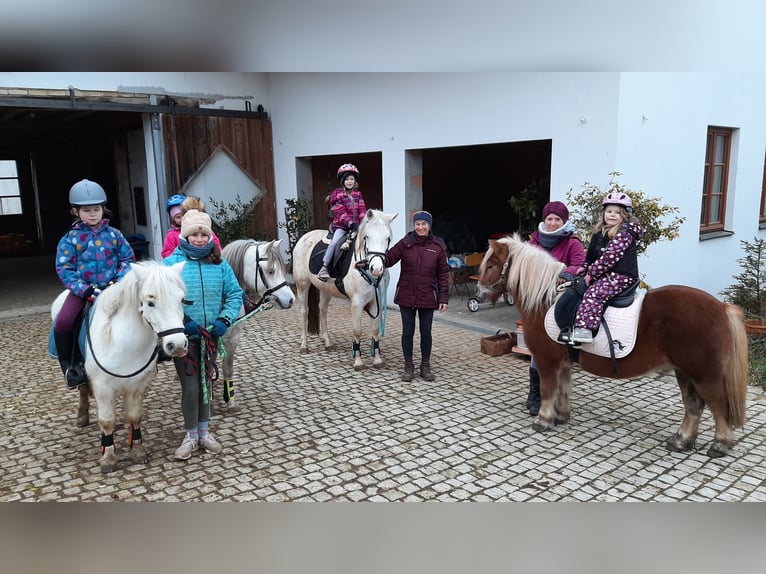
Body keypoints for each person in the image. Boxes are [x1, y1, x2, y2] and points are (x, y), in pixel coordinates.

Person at [163, 209, 243, 460]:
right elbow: (164, 300)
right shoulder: (171, 265)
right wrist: (183, 321)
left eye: (203, 234)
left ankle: (204, 432)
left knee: (206, 384)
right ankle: (190, 436)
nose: (199, 239)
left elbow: (234, 293)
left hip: (211, 335)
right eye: (193, 234)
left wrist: (225, 318)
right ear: (184, 235)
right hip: (184, 337)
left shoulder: (220, 264)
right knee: (190, 387)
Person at [53, 179, 135, 389]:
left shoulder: (115, 235)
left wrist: (118, 281)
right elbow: (65, 269)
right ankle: (72, 367)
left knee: (144, 307)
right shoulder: (70, 239)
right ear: (75, 211)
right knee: (63, 321)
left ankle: (154, 352)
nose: (92, 214)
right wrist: (85, 289)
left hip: (114, 288)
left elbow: (127, 259)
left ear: (102, 209)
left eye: (96, 209)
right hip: (84, 291)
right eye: (87, 210)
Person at [525, 200, 586, 416]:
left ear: (564, 221)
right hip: (538, 301)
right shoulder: (534, 242)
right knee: (538, 348)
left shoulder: (572, 243)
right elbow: (526, 266)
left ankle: (558, 394)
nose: (552, 223)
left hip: (562, 297)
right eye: (549, 218)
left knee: (557, 347)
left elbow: (579, 263)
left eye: (557, 219)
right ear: (544, 220)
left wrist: (565, 273)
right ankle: (535, 394)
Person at [567, 191, 644, 345]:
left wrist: (591, 275)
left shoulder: (624, 235)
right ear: (603, 214)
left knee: (594, 293)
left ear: (624, 216)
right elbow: (592, 255)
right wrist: (585, 267)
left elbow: (609, 259)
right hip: (606, 274)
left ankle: (585, 330)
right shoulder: (600, 232)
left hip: (621, 276)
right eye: (609, 211)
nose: (612, 215)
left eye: (617, 212)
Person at [384, 210, 449, 382]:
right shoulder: (406, 243)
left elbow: (443, 274)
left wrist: (443, 297)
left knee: (426, 332)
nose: (420, 227)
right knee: (407, 332)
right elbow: (389, 259)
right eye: (417, 224)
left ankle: (425, 366)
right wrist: (372, 260)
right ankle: (408, 366)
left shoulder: (438, 246)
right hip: (407, 294)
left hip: (427, 296)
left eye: (424, 224)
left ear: (429, 226)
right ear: (414, 226)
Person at [317, 163, 367, 281]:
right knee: (334, 243)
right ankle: (324, 267)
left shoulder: (358, 194)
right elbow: (340, 213)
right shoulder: (337, 194)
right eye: (347, 179)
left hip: (357, 226)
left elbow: (362, 209)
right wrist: (351, 224)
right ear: (342, 180)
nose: (350, 181)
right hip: (342, 226)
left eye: (352, 179)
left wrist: (362, 223)